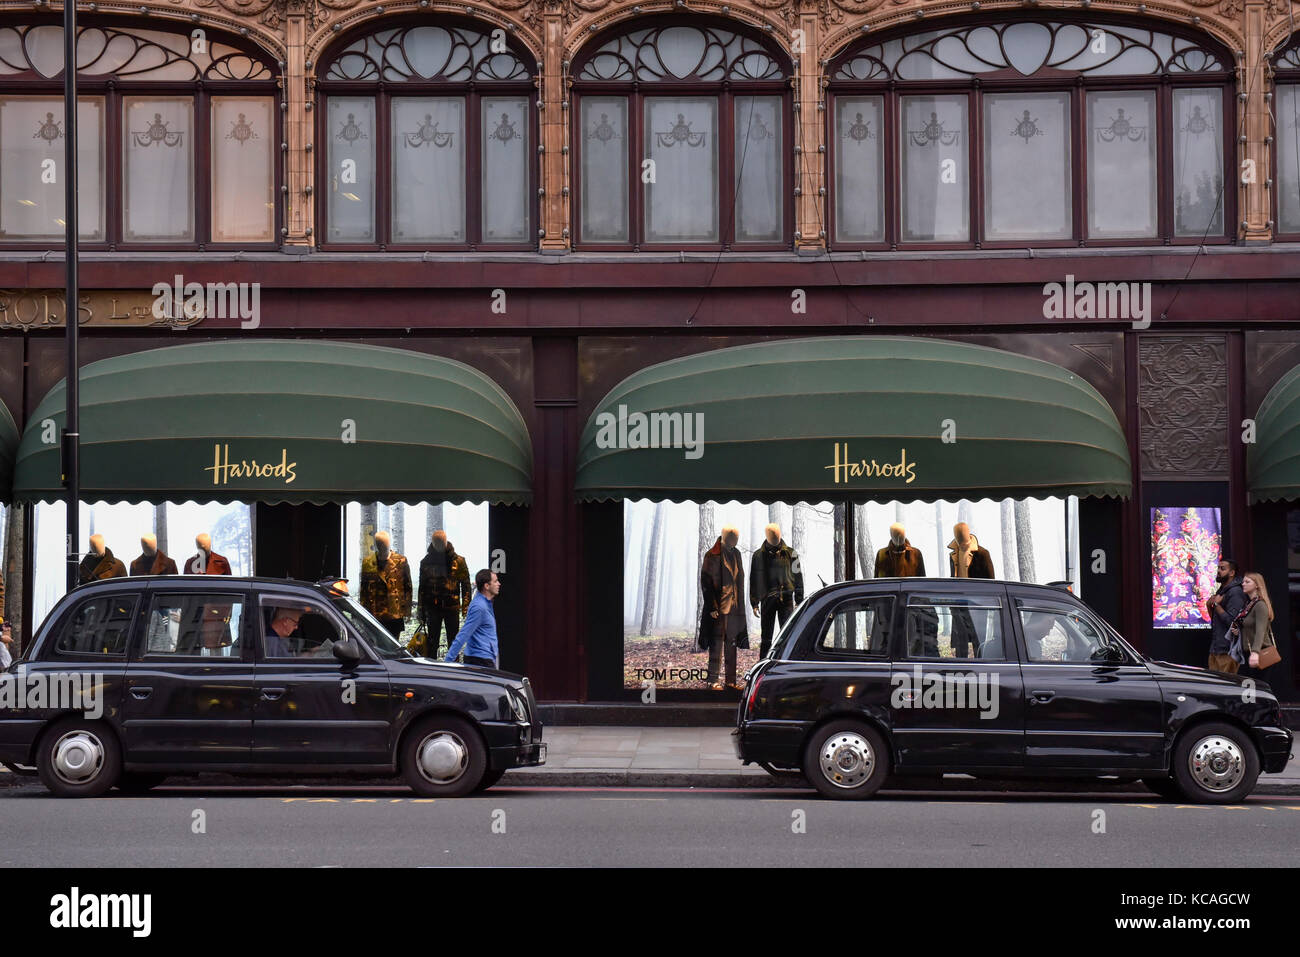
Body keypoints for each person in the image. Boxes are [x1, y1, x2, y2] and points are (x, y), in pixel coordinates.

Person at [698, 526, 748, 691]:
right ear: (725, 537)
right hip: (718, 607)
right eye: (734, 537)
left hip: (734, 607)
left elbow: (739, 579)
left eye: (737, 537)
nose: (737, 540)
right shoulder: (712, 555)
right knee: (716, 645)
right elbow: (705, 581)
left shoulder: (737, 554)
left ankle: (730, 682)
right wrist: (712, 605)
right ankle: (712, 681)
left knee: (731, 645)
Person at [749, 523, 803, 659]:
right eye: (772, 535)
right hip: (767, 599)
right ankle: (763, 664)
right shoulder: (758, 556)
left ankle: (788, 662)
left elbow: (798, 577)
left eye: (777, 535)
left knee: (788, 635)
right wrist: (754, 602)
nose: (775, 537)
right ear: (767, 536)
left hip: (787, 600)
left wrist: (799, 600)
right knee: (766, 637)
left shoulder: (791, 553)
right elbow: (754, 579)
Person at [418, 531, 472, 657]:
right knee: (432, 643)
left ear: (446, 542)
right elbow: (422, 588)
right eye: (437, 543)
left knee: (454, 642)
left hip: (452, 607)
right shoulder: (426, 562)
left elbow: (466, 586)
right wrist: (421, 611)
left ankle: (454, 672)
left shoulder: (458, 561)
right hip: (432, 608)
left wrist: (466, 608)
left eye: (441, 543)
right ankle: (431, 671)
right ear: (433, 543)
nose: (439, 546)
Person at [445, 570, 500, 669]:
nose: (499, 584)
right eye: (495, 581)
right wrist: (447, 662)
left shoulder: (485, 603)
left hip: (485, 658)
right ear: (486, 586)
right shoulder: (479, 607)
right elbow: (464, 634)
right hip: (480, 661)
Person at [1228, 572, 1278, 673]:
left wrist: (1255, 653)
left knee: (1254, 686)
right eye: (1243, 582)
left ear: (1257, 585)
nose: (1243, 584)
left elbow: (1260, 631)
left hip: (1260, 652)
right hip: (1248, 652)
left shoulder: (1260, 605)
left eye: (1247, 582)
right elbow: (1249, 627)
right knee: (1247, 685)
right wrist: (1239, 631)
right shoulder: (1249, 604)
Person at [1205, 559, 1245, 674]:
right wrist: (1210, 606)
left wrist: (1217, 605)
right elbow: (1216, 621)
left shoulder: (1236, 592)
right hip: (1216, 649)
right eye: (1218, 568)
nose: (1218, 571)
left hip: (1228, 651)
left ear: (1231, 573)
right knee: (1214, 688)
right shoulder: (1222, 590)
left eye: (1222, 569)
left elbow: (1234, 623)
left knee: (1225, 689)